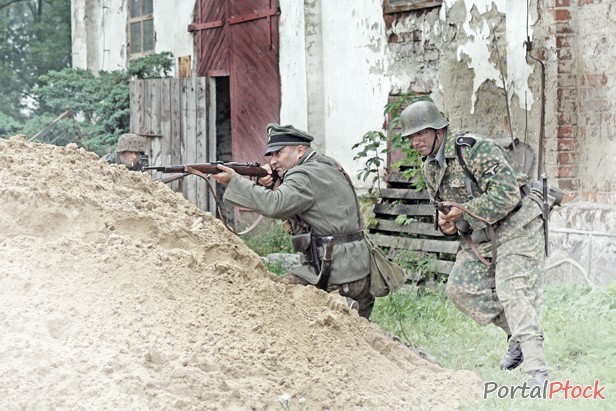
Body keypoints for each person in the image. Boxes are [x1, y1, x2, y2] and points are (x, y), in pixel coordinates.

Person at [398, 99, 548, 386]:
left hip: (518, 223)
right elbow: (445, 212)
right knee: (458, 289)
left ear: (438, 130)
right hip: (482, 232)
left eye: (420, 134)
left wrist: (464, 212)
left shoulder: (474, 148)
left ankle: (537, 371)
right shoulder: (430, 166)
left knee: (512, 289)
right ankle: (515, 334)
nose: (415, 141)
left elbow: (507, 196)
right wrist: (446, 224)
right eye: (411, 137)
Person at [211, 123, 375, 319]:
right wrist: (273, 183)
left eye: (278, 153)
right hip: (360, 270)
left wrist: (235, 181)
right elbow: (301, 202)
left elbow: (275, 204)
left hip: (335, 274)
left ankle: (338, 311)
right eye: (271, 156)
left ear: (299, 151)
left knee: (275, 298)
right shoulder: (326, 164)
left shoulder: (302, 174)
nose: (272, 161)